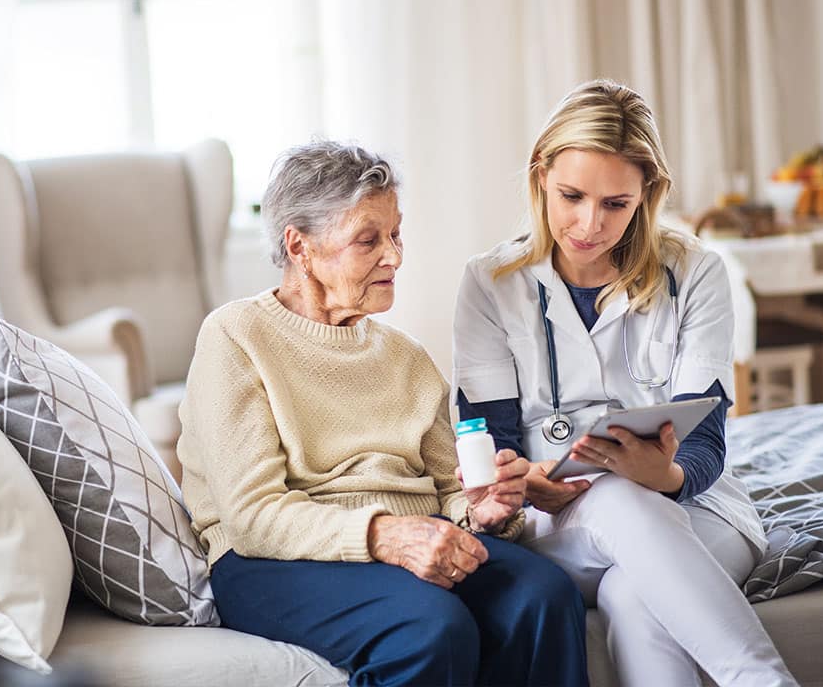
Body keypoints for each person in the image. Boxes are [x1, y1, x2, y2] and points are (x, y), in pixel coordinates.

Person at [178, 140, 588, 687]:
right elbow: (254, 516)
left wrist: (484, 510)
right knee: (430, 629)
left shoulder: (406, 357)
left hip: (409, 534)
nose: (394, 255)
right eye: (368, 240)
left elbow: (452, 491)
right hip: (272, 559)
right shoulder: (236, 336)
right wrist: (386, 537)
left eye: (395, 234)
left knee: (544, 595)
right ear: (299, 247)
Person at [452, 80, 797, 687]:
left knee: (636, 595)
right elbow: (490, 438)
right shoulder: (489, 283)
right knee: (613, 498)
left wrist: (663, 476)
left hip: (697, 506)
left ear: (648, 194)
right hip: (554, 521)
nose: (590, 224)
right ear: (540, 176)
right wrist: (520, 482)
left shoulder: (695, 274)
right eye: (572, 196)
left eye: (616, 203)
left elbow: (706, 443)